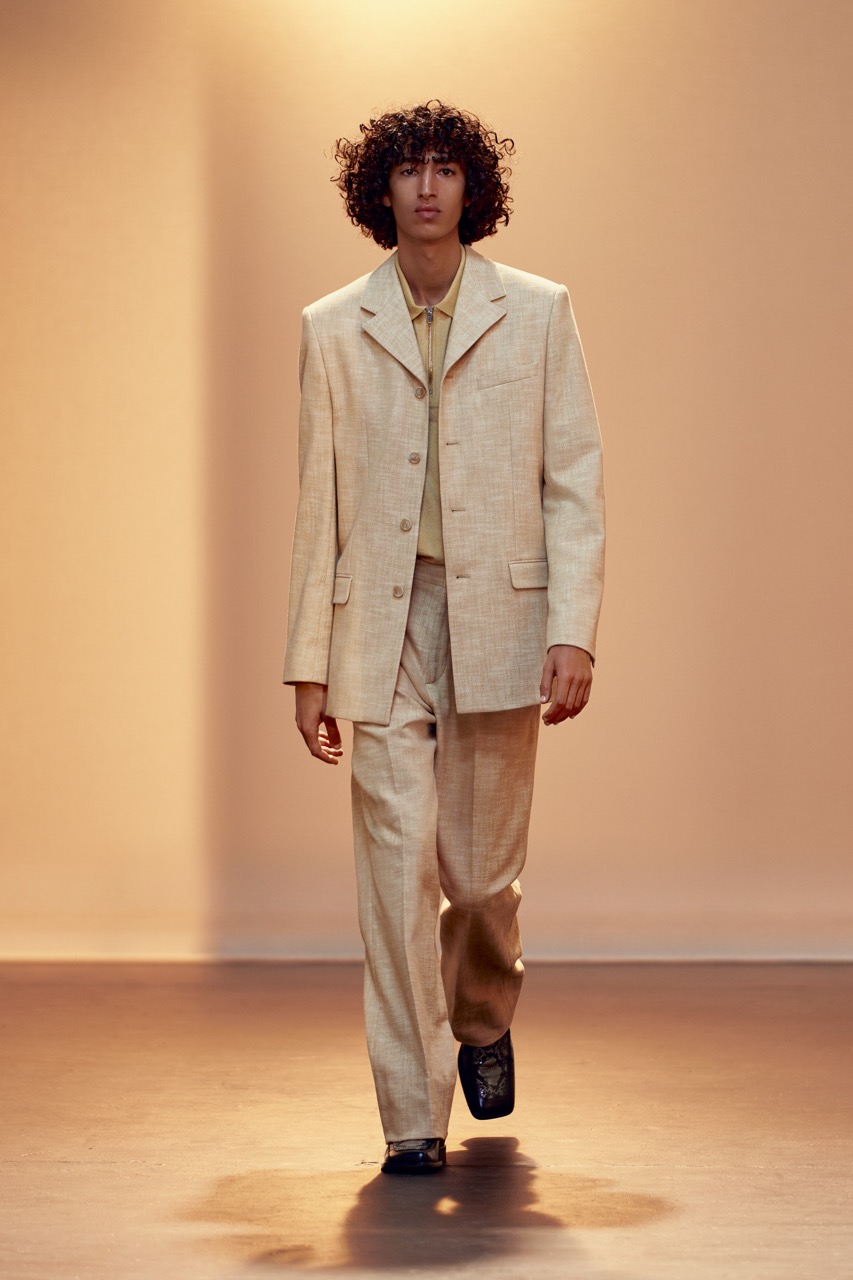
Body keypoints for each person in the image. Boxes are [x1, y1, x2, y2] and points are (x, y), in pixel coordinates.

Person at [284, 101, 605, 1174]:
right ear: (379, 190)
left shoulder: (539, 310)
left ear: (474, 188)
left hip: (502, 619)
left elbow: (573, 481)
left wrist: (573, 630)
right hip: (378, 624)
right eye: (408, 170)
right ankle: (411, 1116)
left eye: (446, 169)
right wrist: (308, 662)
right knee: (392, 876)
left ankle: (482, 1014)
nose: (427, 187)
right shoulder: (332, 325)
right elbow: (317, 504)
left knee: (476, 880)